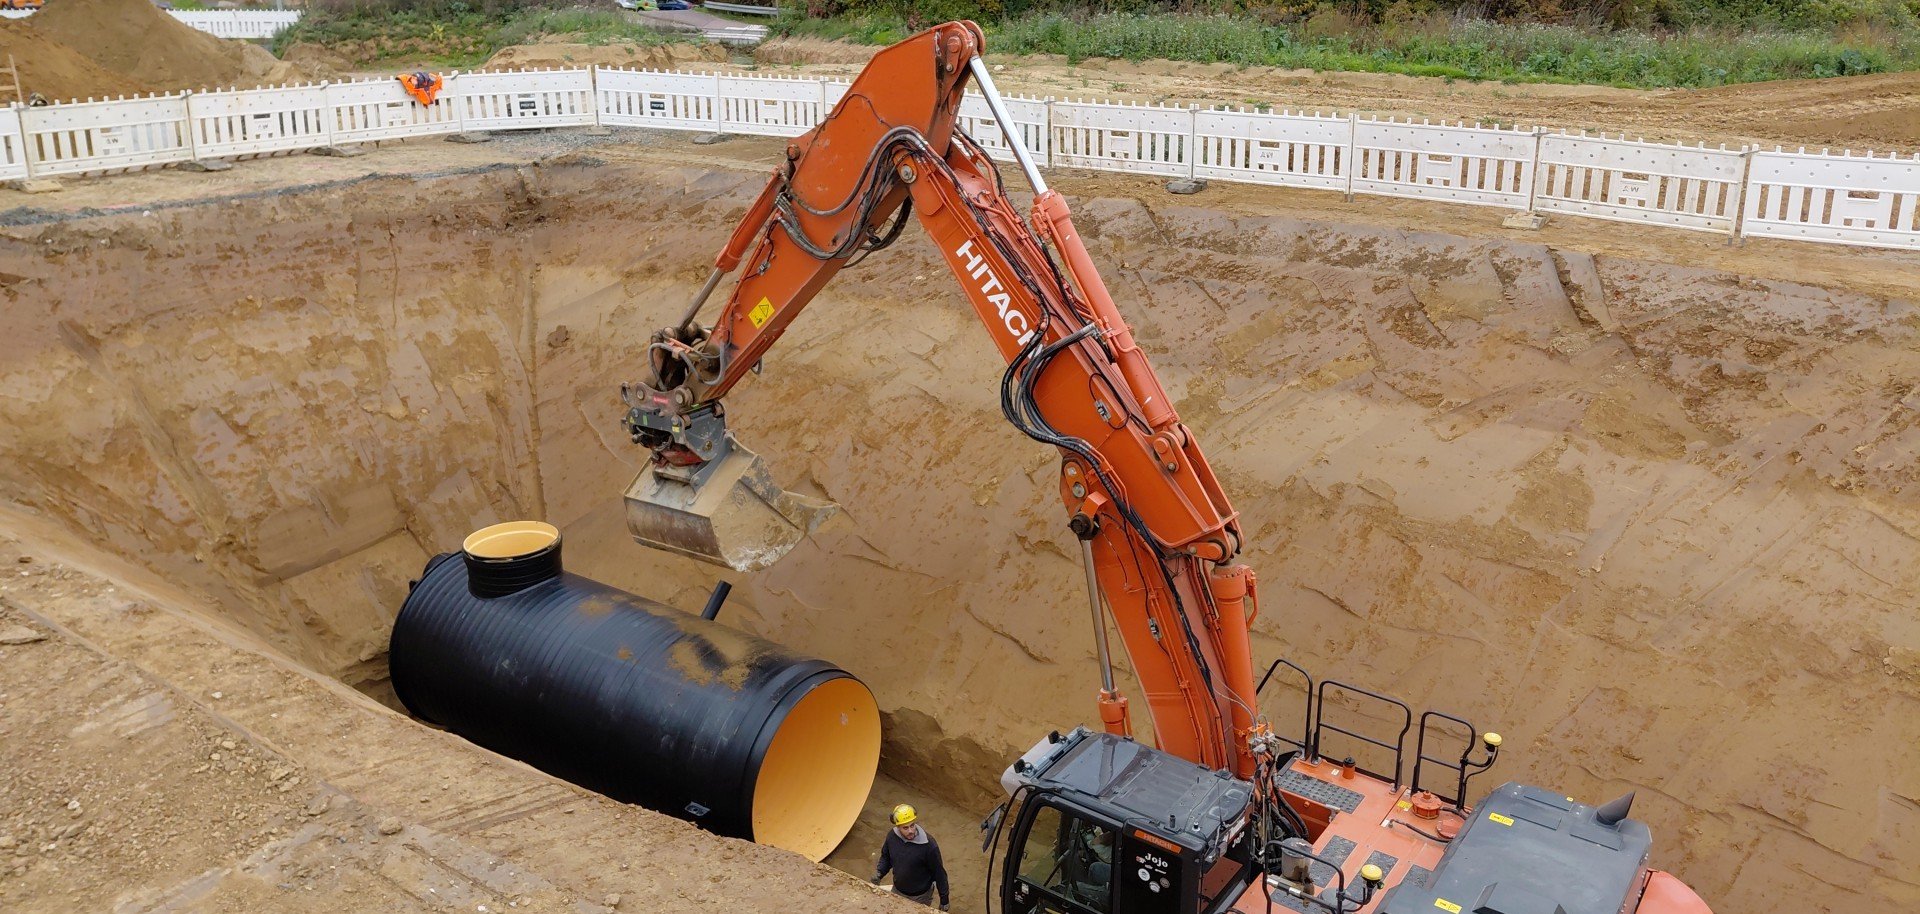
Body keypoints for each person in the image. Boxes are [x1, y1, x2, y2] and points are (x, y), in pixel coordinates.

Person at [870, 804, 951, 910]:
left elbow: (939, 873)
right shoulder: (892, 837)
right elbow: (886, 857)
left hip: (920, 897)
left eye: (912, 825)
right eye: (905, 828)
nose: (911, 831)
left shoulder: (928, 845)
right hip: (897, 890)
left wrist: (944, 900)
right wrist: (879, 872)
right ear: (898, 827)